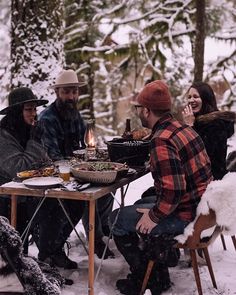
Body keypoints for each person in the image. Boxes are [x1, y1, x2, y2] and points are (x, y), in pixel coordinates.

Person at [109, 80, 213, 295]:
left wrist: (155, 216)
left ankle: (145, 279)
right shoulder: (183, 128)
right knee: (139, 204)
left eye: (139, 108)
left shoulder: (161, 139)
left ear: (147, 111)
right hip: (200, 207)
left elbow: (174, 190)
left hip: (187, 215)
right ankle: (157, 267)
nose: (138, 112)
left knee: (115, 219)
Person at [39, 69, 114, 259]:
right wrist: (79, 164)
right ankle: (92, 239)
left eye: (74, 92)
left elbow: (87, 145)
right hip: (55, 175)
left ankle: (101, 232)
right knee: (87, 196)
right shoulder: (47, 119)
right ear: (57, 93)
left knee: (107, 191)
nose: (71, 96)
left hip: (77, 170)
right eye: (66, 92)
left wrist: (94, 155)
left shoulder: (75, 115)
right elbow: (53, 157)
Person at [0, 87, 50, 252]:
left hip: (27, 192)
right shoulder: (4, 135)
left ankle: (50, 253)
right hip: (6, 198)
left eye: (35, 109)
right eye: (28, 109)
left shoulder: (27, 129)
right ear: (16, 112)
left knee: (66, 205)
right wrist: (35, 142)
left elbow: (44, 162)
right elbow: (19, 169)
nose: (34, 113)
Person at [182, 81, 235, 180]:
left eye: (195, 96)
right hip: (195, 178)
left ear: (206, 99)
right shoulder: (195, 121)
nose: (191, 100)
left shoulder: (216, 124)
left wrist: (190, 127)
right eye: (189, 97)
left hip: (211, 180)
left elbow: (201, 157)